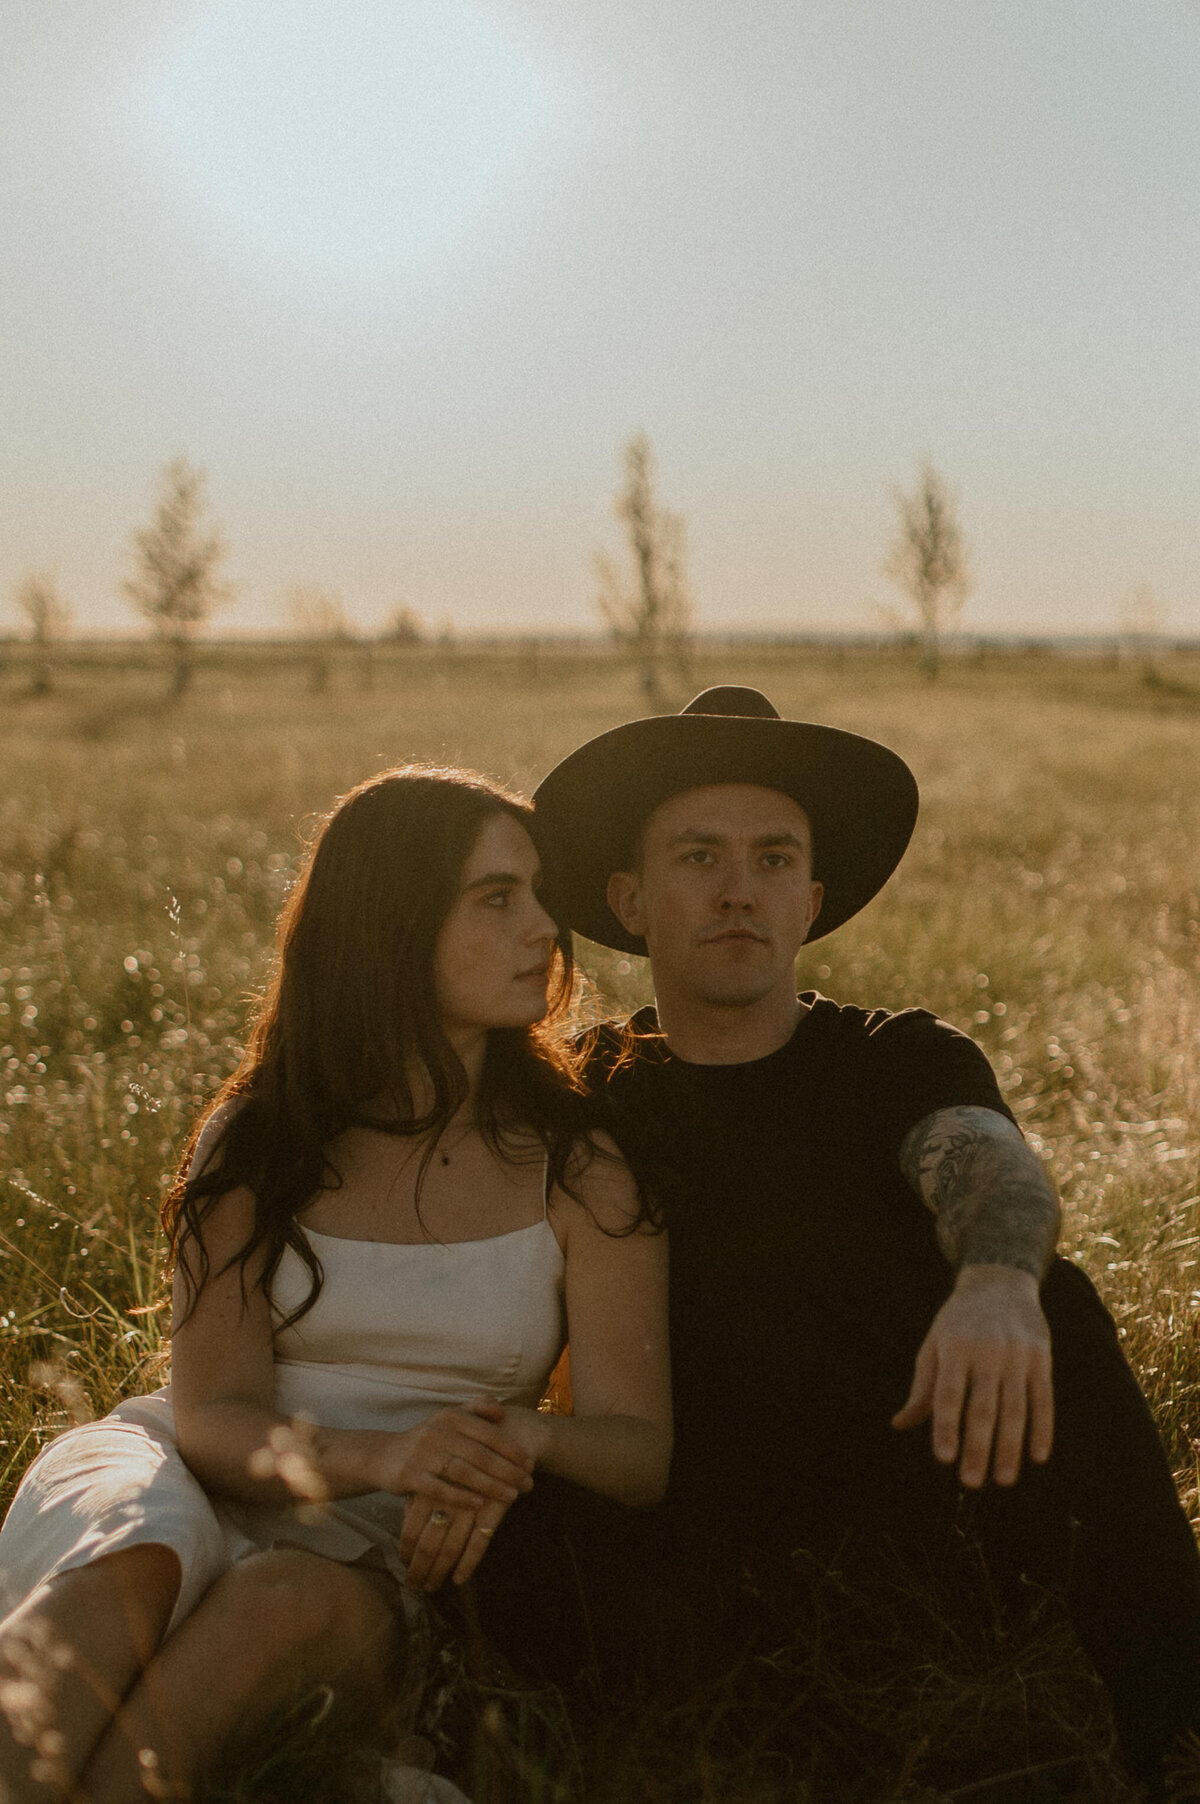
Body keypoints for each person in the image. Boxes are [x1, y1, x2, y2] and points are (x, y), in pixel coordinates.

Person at [474, 685, 1200, 1794]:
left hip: (920, 1491)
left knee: (1057, 1305)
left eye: (773, 860)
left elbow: (987, 1163)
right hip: (689, 1525)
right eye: (699, 856)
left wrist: (999, 1281)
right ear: (629, 896)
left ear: (810, 899)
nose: (738, 890)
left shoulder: (895, 1058)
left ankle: (1177, 1719)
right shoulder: (581, 1095)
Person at [0, 765, 671, 1804]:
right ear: (391, 920)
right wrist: (386, 1451)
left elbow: (639, 1450)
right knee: (138, 1546)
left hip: (375, 1559)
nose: (545, 926)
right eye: (498, 897)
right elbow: (212, 1412)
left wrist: (518, 1438)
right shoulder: (264, 1134)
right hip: (186, 1469)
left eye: (539, 891)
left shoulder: (578, 1160)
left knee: (284, 1600)